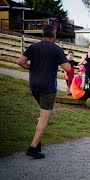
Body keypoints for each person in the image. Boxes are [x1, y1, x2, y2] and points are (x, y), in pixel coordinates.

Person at [17, 25, 71, 159]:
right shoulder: (56, 49)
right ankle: (33, 148)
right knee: (45, 117)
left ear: (43, 35)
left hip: (34, 85)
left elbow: (21, 62)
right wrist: (65, 59)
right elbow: (68, 68)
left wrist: (33, 69)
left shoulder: (33, 47)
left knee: (42, 115)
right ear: (54, 36)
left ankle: (37, 141)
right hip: (48, 87)